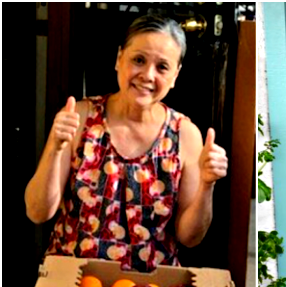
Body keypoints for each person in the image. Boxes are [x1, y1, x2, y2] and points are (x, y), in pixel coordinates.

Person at [25, 15, 228, 272]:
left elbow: (190, 238)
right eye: (138, 60)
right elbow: (37, 212)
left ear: (175, 75)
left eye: (162, 67)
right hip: (73, 283)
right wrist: (55, 147)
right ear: (119, 59)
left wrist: (207, 185)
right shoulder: (82, 117)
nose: (147, 75)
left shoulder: (185, 135)